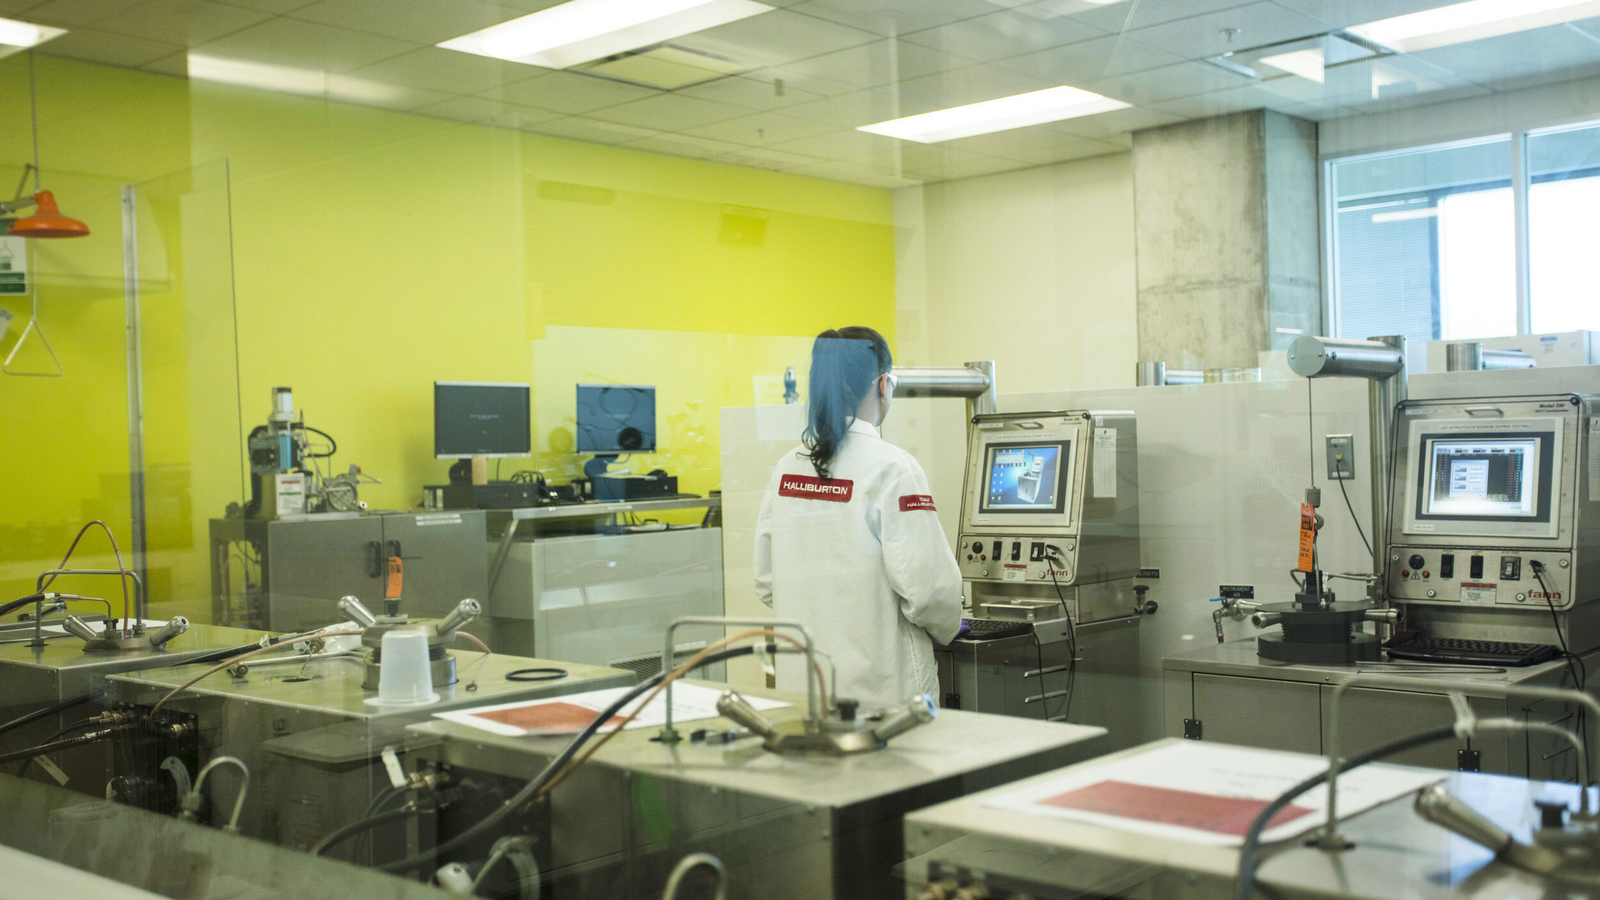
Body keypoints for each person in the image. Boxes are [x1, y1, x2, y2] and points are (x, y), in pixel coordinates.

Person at [754, 326, 963, 713]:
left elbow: (767, 582)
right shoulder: (894, 468)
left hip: (803, 690)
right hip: (882, 695)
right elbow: (929, 591)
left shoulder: (787, 469)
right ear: (884, 385)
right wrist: (952, 622)